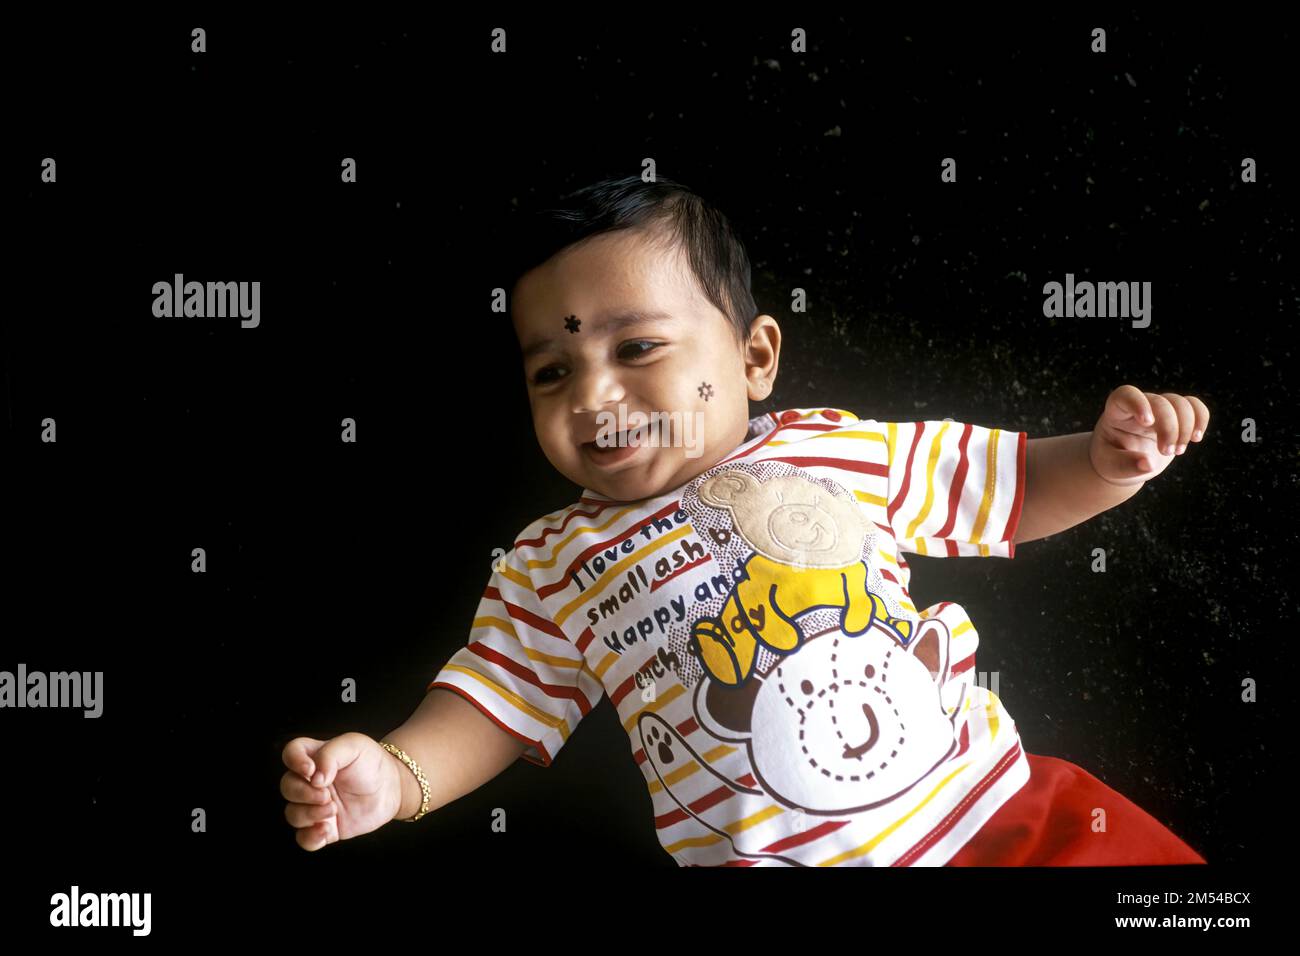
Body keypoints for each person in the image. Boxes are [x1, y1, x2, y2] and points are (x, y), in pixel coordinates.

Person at [280, 175, 1208, 866]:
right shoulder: (551, 562)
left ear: (756, 356)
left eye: (637, 347)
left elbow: (1010, 486)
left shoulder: (832, 448)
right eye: (551, 373)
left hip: (999, 817)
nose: (593, 396)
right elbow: (491, 704)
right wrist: (395, 776)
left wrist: (1104, 461)